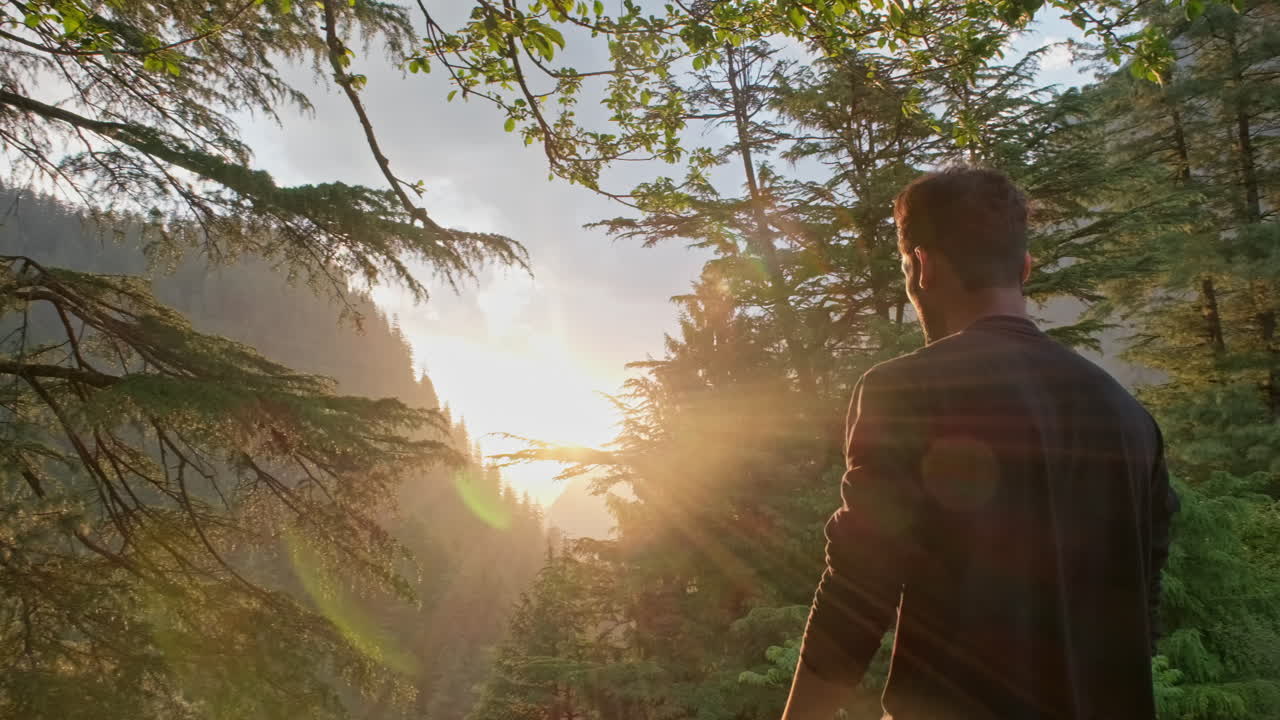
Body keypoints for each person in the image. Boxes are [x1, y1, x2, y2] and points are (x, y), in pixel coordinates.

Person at [781, 167, 1180, 720]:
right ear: (1024, 268)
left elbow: (856, 595)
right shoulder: (1131, 418)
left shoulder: (905, 389)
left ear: (921, 266)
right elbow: (1144, 611)